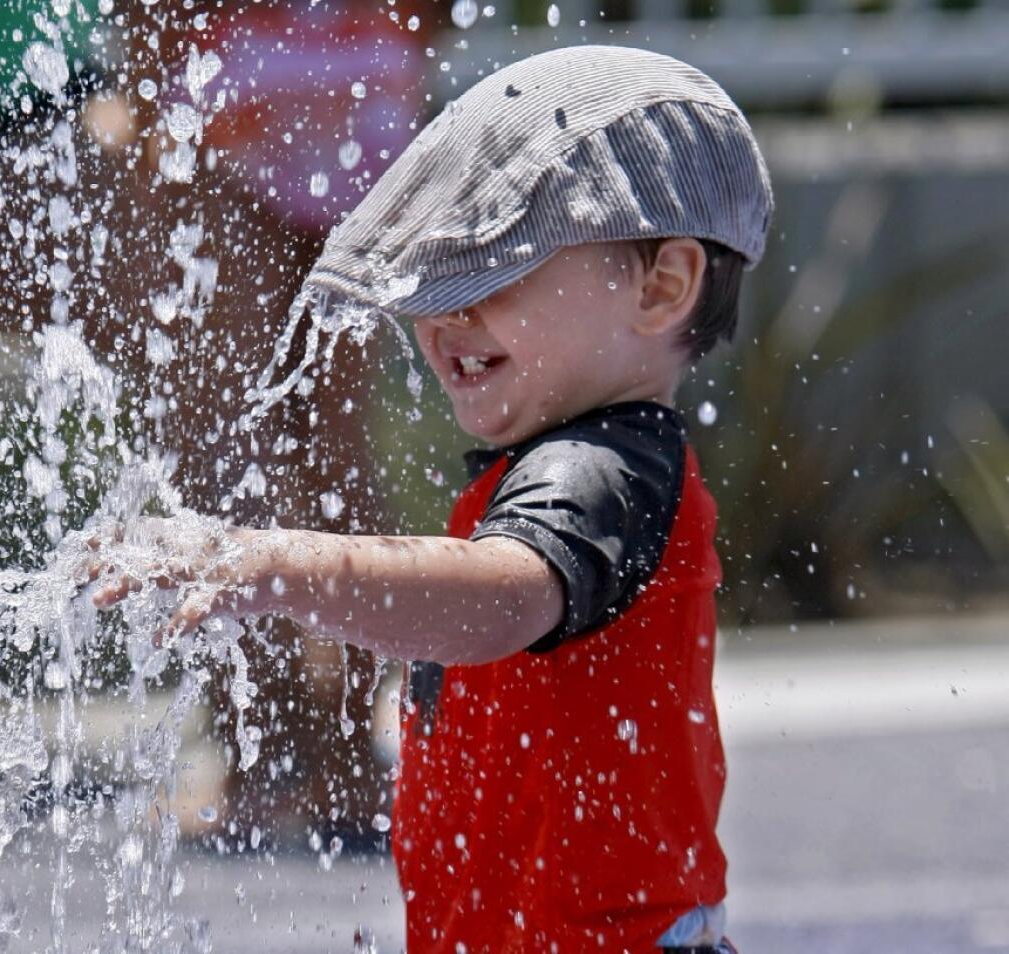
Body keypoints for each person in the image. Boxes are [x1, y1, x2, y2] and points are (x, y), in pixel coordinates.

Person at [91, 45, 771, 953]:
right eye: (437, 277)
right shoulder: (556, 464)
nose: (446, 318)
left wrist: (280, 565)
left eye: (491, 275)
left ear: (661, 286)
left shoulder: (607, 468)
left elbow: (504, 597)